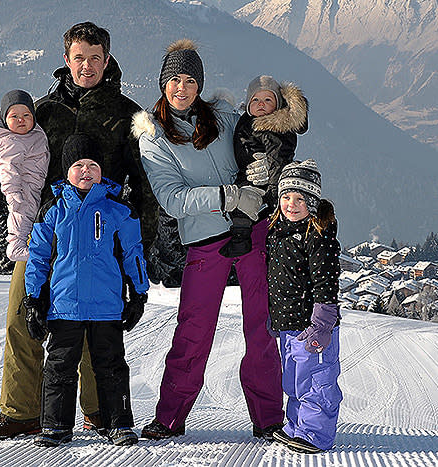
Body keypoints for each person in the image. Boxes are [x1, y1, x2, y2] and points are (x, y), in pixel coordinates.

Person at [0, 21, 157, 441]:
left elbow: (143, 186)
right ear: (66, 60)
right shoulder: (45, 111)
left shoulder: (128, 114)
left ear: (107, 59)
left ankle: (100, 411)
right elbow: (14, 157)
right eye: (79, 57)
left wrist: (138, 248)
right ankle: (23, 411)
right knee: (24, 317)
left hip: (101, 235)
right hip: (46, 233)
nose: (87, 65)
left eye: (95, 58)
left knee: (97, 331)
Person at [131, 39, 285, 440]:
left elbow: (263, 132)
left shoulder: (223, 117)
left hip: (251, 230)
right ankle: (169, 418)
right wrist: (227, 195)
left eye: (190, 80)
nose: (182, 88)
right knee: (194, 331)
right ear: (163, 83)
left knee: (262, 329)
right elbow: (172, 199)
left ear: (200, 84)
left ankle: (269, 419)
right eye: (174, 80)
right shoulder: (154, 136)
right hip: (205, 241)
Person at [22, 134, 148, 447]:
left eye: (92, 165)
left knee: (111, 366)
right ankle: (55, 426)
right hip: (64, 305)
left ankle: (119, 423)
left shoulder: (118, 210)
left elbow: (134, 253)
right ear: (67, 171)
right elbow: (37, 257)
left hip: (106, 305)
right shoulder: (53, 210)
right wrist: (34, 299)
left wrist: (138, 295)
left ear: (102, 171)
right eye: (78, 165)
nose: (86, 171)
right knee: (60, 366)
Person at [266, 159, 343, 453]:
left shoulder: (318, 236)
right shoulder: (278, 232)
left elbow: (326, 284)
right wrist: (276, 316)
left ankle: (316, 433)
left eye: (300, 198)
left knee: (317, 380)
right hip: (288, 324)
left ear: (313, 201)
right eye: (286, 196)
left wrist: (322, 325)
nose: (291, 204)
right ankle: (296, 426)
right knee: (295, 380)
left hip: (313, 326)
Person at [219, 75, 308, 258]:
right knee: (240, 203)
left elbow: (278, 158)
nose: (261, 104)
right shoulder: (247, 122)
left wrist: (275, 188)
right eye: (256, 100)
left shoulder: (274, 126)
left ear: (277, 104)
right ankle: (241, 238)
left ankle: (243, 240)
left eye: (268, 100)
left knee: (245, 203)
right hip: (249, 175)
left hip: (270, 181)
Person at [0, 89, 50, 262]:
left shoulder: (29, 134)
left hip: (34, 184)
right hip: (22, 187)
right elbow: (8, 170)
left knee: (30, 217)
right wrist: (13, 194)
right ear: (5, 120)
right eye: (14, 116)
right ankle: (16, 247)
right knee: (22, 214)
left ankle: (24, 243)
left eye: (26, 115)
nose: (21, 120)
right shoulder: (10, 142)